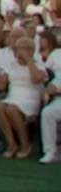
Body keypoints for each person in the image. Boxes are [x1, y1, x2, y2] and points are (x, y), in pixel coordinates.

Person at [0, 37, 47, 159]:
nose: (21, 51)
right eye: (19, 48)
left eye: (26, 49)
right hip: (13, 96)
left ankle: (25, 145)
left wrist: (28, 60)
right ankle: (11, 144)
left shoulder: (39, 65)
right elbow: (2, 84)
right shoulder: (12, 65)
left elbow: (37, 79)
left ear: (32, 51)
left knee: (11, 109)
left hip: (30, 97)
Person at [40, 31, 61, 164]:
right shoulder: (56, 54)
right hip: (58, 97)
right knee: (48, 113)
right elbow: (46, 73)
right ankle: (50, 152)